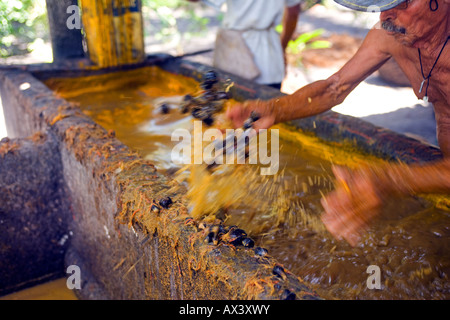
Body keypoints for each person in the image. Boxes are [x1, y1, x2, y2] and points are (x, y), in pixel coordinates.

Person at [227, 0, 450, 246]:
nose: (386, 15)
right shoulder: (388, 36)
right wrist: (275, 109)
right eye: (382, 3)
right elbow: (334, 88)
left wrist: (391, 179)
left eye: (404, 3)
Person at [187, 0, 302, 89]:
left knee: (228, 105)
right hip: (269, 59)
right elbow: (293, 12)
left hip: (233, 51)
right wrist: (282, 49)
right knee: (266, 110)